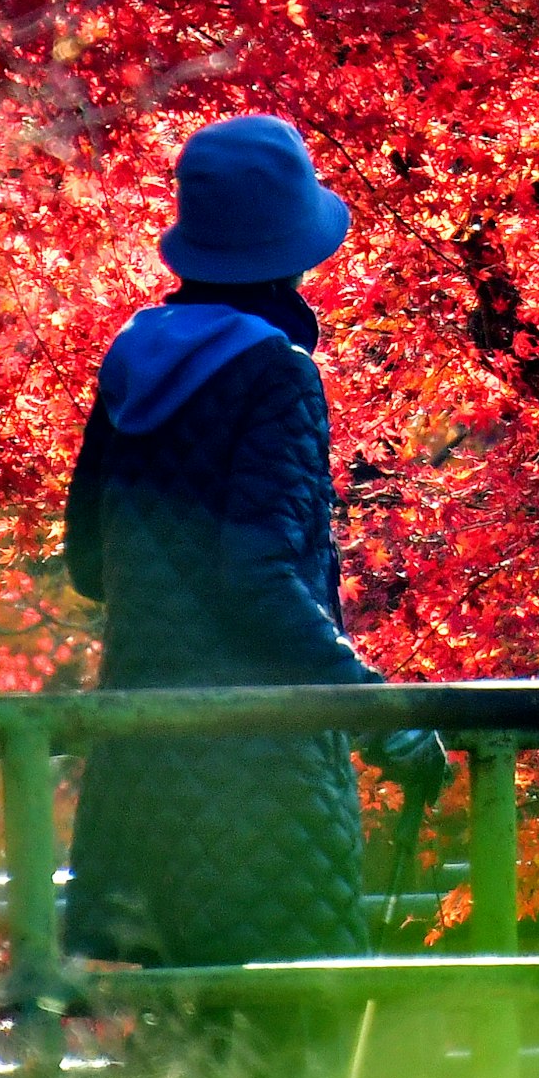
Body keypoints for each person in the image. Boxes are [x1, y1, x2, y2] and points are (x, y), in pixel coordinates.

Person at [61, 114, 441, 969]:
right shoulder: (278, 372)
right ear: (291, 251)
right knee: (287, 1043)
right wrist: (384, 719)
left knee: (168, 1064)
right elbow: (262, 577)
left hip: (142, 763)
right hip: (259, 771)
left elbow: (89, 562)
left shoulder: (132, 360)